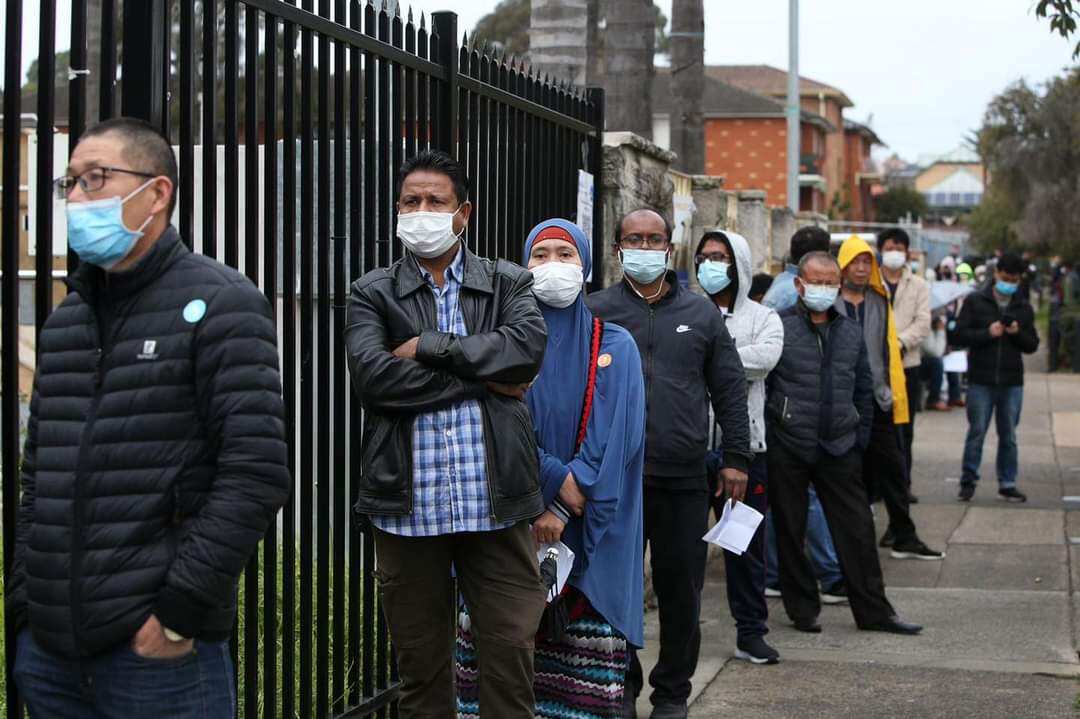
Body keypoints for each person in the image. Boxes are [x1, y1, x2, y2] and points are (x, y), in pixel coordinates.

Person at [7, 117, 291, 717]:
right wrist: (24, 612)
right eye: (71, 184)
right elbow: (40, 480)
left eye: (96, 179)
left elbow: (255, 473)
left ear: (157, 193)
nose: (77, 198)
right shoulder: (66, 324)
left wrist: (178, 614)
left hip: (158, 657)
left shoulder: (222, 303)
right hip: (51, 654)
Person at [344, 150, 549, 718]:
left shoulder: (509, 281)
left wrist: (432, 349)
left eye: (436, 201)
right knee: (421, 672)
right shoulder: (372, 292)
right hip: (407, 509)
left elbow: (526, 351)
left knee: (510, 659)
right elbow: (375, 381)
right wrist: (486, 382)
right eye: (411, 201)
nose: (422, 211)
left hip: (496, 504)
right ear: (397, 210)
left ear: (464, 214)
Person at [455, 218, 647, 719]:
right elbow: (494, 424)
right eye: (540, 255)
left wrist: (562, 505)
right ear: (523, 267)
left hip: (592, 529)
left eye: (566, 255)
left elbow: (616, 441)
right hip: (510, 517)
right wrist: (548, 483)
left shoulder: (616, 344)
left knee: (581, 687)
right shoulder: (502, 342)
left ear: (586, 268)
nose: (552, 266)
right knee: (503, 661)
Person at [586, 208, 752, 719]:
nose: (644, 246)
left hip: (684, 477)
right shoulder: (595, 310)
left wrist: (737, 459)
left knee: (682, 592)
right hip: (615, 480)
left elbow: (728, 389)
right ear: (617, 249)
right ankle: (621, 689)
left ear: (668, 248)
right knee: (613, 592)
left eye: (653, 238)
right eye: (633, 238)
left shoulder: (701, 314)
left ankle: (673, 694)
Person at [767, 251, 922, 636]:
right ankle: (802, 609)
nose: (822, 289)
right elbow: (765, 386)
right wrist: (778, 429)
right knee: (789, 529)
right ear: (799, 285)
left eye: (829, 283)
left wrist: (857, 439)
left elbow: (863, 389)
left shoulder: (850, 331)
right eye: (814, 282)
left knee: (858, 532)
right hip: (790, 445)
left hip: (840, 447)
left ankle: (874, 612)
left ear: (838, 286)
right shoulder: (779, 326)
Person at [695, 230, 783, 666]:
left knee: (745, 549)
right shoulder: (687, 312)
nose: (710, 264)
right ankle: (683, 631)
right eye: (704, 256)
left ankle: (751, 633)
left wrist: (708, 355)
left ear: (740, 265)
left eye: (720, 257)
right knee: (685, 553)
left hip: (746, 453)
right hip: (689, 452)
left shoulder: (765, 318)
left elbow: (764, 361)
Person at [834, 236, 944, 560]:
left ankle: (903, 534)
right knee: (847, 472)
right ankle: (848, 540)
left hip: (877, 399)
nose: (861, 268)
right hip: (840, 402)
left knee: (894, 468)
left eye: (867, 261)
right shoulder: (831, 301)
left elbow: (886, 350)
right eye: (855, 261)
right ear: (843, 265)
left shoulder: (879, 300)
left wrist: (889, 391)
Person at [761, 226, 846, 605]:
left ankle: (778, 574)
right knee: (799, 505)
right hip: (795, 427)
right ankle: (826, 574)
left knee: (788, 506)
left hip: (800, 423)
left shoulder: (780, 289)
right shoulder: (786, 303)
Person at [952, 252, 1040, 503]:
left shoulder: (1023, 307)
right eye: (1005, 277)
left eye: (1014, 279)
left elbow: (1032, 345)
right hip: (981, 378)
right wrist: (987, 333)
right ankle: (968, 480)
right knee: (977, 431)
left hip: (1012, 381)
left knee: (1009, 435)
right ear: (996, 274)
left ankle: (1007, 481)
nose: (1009, 283)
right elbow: (958, 336)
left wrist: (1016, 332)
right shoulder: (975, 301)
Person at [877, 229, 931, 504]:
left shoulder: (918, 284)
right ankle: (876, 487)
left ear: (907, 251)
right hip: (876, 368)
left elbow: (923, 323)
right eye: (889, 246)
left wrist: (899, 343)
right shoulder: (873, 281)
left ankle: (903, 485)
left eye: (899, 246)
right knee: (877, 429)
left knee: (904, 431)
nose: (894, 251)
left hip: (907, 365)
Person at [921, 314, 950, 411]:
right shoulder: (925, 325)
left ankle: (955, 397)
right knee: (937, 363)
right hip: (918, 361)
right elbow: (936, 352)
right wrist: (941, 331)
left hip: (924, 360)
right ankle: (933, 399)